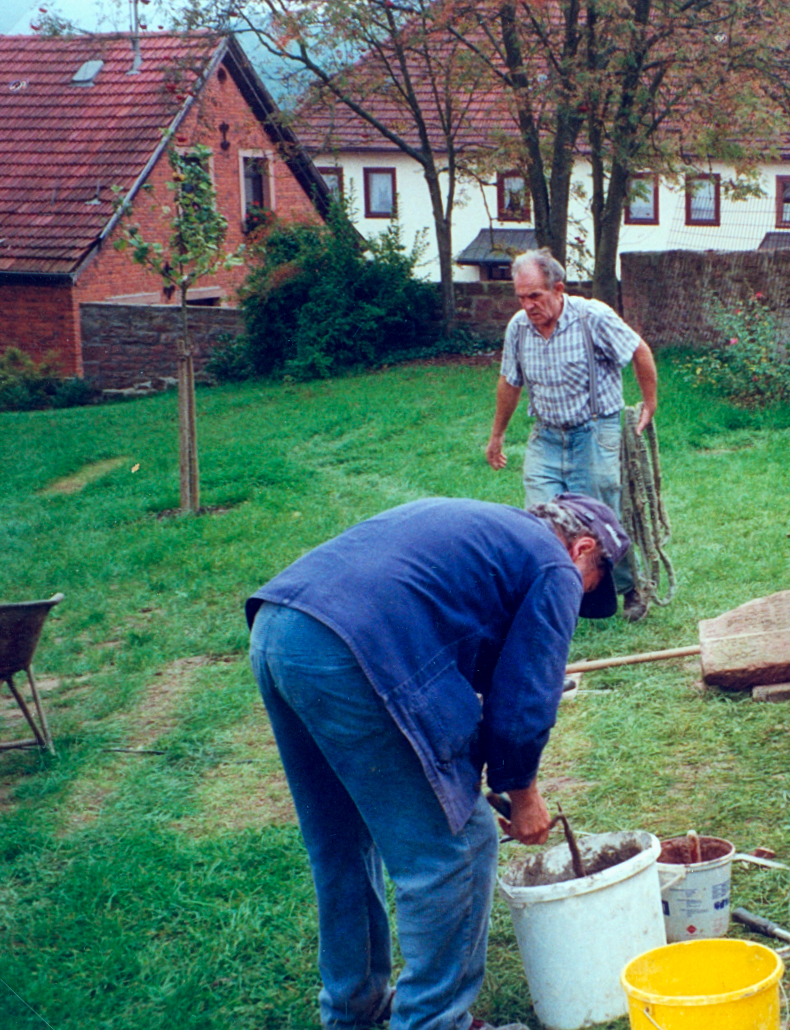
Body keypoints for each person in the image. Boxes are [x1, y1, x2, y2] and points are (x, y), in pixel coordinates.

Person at [246, 494, 632, 1030]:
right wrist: (523, 795)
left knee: (342, 841)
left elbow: (479, 677)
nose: (584, 596)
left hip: (281, 631)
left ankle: (353, 1013)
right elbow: (525, 698)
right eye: (593, 581)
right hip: (355, 649)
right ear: (583, 549)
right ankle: (435, 1020)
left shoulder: (486, 533)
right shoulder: (553, 563)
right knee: (460, 845)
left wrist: (470, 768)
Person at [485, 249, 659, 622]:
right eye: (521, 297)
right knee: (539, 521)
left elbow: (639, 351)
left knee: (602, 519)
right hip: (546, 436)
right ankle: (554, 597)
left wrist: (650, 402)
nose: (527, 305)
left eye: (535, 296)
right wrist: (497, 435)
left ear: (558, 288)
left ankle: (629, 588)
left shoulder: (591, 317)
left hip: (595, 430)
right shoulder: (518, 328)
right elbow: (509, 381)